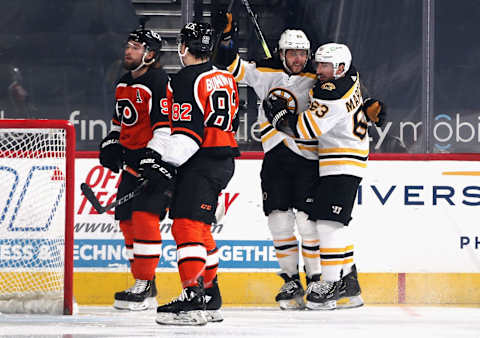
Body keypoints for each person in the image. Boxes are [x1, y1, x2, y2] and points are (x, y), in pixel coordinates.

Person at [214, 13, 363, 309]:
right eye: (292, 53)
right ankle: (291, 281)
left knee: (310, 225)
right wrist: (227, 38)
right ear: (282, 53)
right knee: (278, 221)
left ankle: (318, 280)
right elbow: (230, 66)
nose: (298, 59)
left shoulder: (318, 77)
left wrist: (370, 105)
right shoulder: (264, 73)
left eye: (302, 54)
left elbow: (346, 84)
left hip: (308, 158)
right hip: (275, 158)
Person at [263, 42, 386, 310]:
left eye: (325, 66)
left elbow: (306, 129)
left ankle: (331, 284)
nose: (319, 70)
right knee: (333, 224)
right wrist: (367, 105)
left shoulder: (330, 92)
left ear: (339, 67)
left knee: (329, 224)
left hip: (342, 160)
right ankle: (349, 285)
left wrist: (280, 119)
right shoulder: (350, 73)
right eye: (318, 64)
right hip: (341, 159)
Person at [149, 22, 240, 326]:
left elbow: (189, 133)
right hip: (223, 159)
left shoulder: (185, 78)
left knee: (186, 226)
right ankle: (210, 295)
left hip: (200, 160)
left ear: (184, 47)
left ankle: (193, 299)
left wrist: (167, 163)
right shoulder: (226, 76)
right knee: (200, 228)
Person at [98, 24, 170, 311]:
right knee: (128, 223)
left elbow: (165, 127)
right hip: (130, 164)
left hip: (152, 164)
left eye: (136, 47)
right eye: (128, 45)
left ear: (150, 54)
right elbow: (120, 123)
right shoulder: (122, 83)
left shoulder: (159, 81)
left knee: (144, 219)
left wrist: (153, 158)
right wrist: (111, 143)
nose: (128, 51)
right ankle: (146, 283)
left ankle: (143, 283)